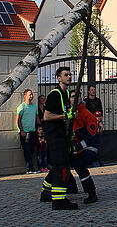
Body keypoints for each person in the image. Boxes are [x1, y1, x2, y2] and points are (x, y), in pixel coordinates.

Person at [40, 66, 77, 210]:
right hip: (54, 135)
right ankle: (59, 200)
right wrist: (65, 116)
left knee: (57, 165)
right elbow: (46, 116)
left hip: (61, 133)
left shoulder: (65, 93)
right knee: (62, 166)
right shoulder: (54, 94)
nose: (69, 77)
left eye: (70, 74)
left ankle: (46, 192)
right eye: (66, 75)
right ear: (59, 78)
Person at [69, 91, 100, 204]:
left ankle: (91, 193)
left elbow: (91, 136)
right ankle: (71, 187)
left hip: (90, 147)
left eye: (77, 96)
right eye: (72, 97)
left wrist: (76, 147)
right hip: (77, 148)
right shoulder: (71, 114)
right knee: (63, 162)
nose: (75, 99)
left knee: (79, 164)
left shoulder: (86, 114)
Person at [17, 89, 41, 174]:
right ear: (25, 95)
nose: (31, 96)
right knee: (26, 150)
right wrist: (22, 130)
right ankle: (29, 168)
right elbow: (18, 120)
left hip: (33, 131)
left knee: (32, 150)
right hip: (25, 132)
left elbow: (37, 118)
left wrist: (40, 127)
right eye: (29, 95)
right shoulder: (22, 106)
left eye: (32, 95)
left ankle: (32, 166)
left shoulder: (34, 107)